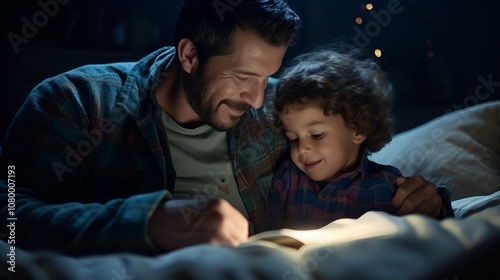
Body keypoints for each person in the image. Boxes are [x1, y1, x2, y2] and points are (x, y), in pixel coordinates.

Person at [0, 0, 449, 257]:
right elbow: (10, 214)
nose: (258, 100)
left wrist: (427, 200)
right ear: (190, 56)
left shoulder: (282, 108)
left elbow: (345, 171)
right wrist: (147, 222)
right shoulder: (76, 100)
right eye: (243, 76)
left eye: (268, 75)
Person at [265, 47, 452, 230]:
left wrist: (438, 209)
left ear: (358, 129)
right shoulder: (287, 180)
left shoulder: (389, 186)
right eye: (294, 139)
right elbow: (264, 241)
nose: (302, 149)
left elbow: (429, 232)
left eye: (316, 135)